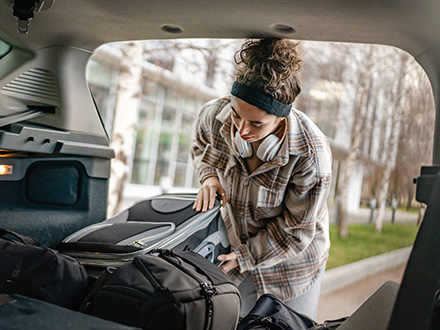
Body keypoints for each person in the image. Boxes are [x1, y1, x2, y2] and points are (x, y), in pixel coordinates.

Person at [191, 38, 332, 319]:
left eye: (256, 124)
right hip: (234, 250)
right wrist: (208, 177)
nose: (242, 131)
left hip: (292, 268)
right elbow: (200, 148)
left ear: (282, 118)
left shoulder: (311, 156)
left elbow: (296, 232)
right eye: (236, 115)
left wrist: (246, 257)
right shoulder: (212, 115)